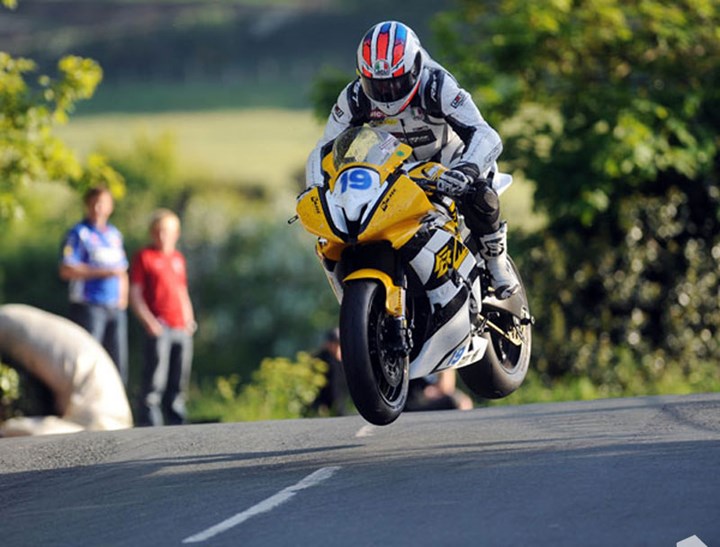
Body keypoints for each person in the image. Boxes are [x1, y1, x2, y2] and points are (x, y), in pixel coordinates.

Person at [306, 20, 518, 299]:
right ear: (363, 76)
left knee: (480, 195)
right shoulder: (355, 96)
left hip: (451, 162)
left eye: (396, 82)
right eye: (377, 85)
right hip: (399, 168)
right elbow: (325, 148)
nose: (388, 93)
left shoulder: (437, 85)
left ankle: (495, 261)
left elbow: (486, 134)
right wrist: (316, 189)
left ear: (415, 68)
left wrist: (466, 170)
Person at [129, 209, 196, 426]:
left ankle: (177, 424)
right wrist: (149, 322)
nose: (162, 236)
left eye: (166, 231)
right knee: (155, 380)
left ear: (176, 233)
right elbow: (135, 294)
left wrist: (189, 318)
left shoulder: (178, 258)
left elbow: (181, 291)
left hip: (180, 327)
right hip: (159, 326)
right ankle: (151, 426)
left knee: (178, 380)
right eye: (157, 231)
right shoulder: (144, 257)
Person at [59, 185, 129, 385]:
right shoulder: (78, 234)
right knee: (89, 358)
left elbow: (122, 271)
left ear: (110, 207)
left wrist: (122, 299)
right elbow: (66, 269)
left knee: (117, 360)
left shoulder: (114, 235)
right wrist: (104, 272)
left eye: (103, 204)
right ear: (87, 205)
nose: (99, 208)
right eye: (95, 203)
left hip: (114, 307)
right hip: (88, 305)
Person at [312, 328, 349, 416]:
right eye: (335, 344)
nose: (337, 347)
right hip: (321, 402)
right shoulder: (320, 359)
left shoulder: (342, 359)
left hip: (338, 402)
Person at [405, 370, 473, 413]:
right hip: (411, 400)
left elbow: (447, 388)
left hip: (431, 396)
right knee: (453, 401)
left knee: (463, 402)